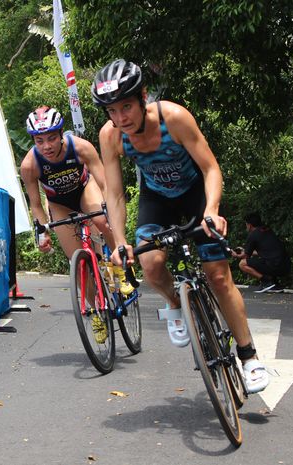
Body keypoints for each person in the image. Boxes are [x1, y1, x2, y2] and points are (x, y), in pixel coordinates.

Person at [92, 59, 268, 394]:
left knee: (218, 275)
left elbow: (211, 168)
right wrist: (119, 241)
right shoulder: (111, 136)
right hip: (156, 200)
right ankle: (176, 304)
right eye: (111, 111)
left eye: (126, 107)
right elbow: (114, 193)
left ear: (143, 96)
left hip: (195, 197)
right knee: (151, 265)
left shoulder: (174, 118)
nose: (120, 119)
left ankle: (249, 358)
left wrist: (212, 210)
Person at [20, 105, 133, 297]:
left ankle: (121, 269)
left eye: (52, 138)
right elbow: (36, 205)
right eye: (39, 141)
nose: (46, 146)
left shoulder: (81, 147)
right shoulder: (29, 165)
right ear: (33, 141)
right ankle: (95, 313)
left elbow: (105, 183)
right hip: (58, 203)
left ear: (61, 134)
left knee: (102, 221)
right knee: (78, 263)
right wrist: (42, 234)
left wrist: (109, 208)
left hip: (84, 190)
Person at [232, 212, 290, 293]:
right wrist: (245, 250)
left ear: (249, 225)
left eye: (246, 224)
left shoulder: (253, 235)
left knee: (242, 264)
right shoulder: (267, 230)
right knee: (266, 259)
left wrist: (236, 255)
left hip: (275, 265)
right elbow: (266, 251)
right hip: (286, 266)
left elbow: (245, 256)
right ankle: (275, 284)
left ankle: (266, 282)